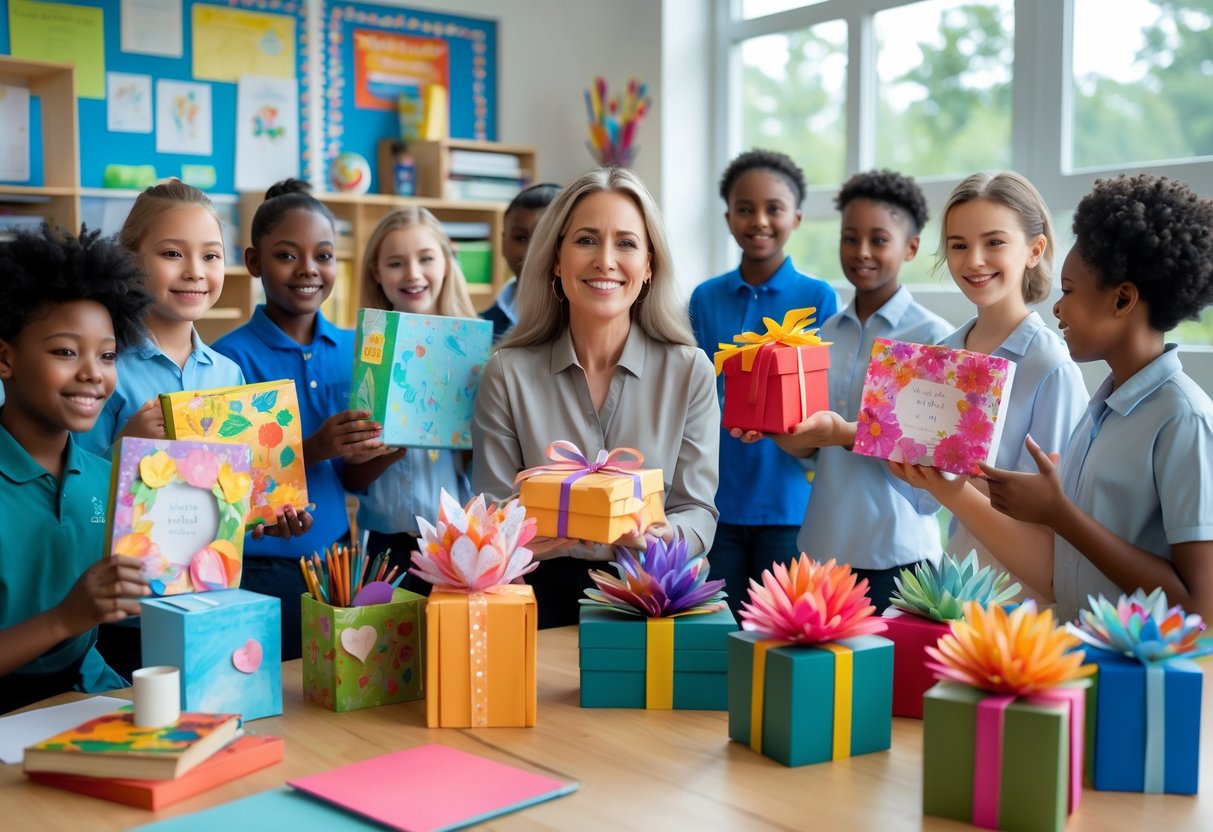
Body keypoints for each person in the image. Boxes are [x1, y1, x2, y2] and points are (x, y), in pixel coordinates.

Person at [894, 174, 1213, 622]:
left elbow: (1202, 607)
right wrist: (948, 485)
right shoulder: (1100, 413)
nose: (1057, 308)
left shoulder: (1184, 419)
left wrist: (1060, 515)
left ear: (1122, 299)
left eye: (1069, 291)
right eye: (958, 244)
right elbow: (1059, 573)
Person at [80, 181, 311, 676]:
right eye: (172, 253)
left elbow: (231, 497)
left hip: (211, 606)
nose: (195, 271)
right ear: (128, 260)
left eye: (210, 256)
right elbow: (75, 501)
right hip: (128, 620)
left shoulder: (228, 374)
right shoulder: (105, 368)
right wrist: (124, 448)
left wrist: (267, 511)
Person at [472, 167, 721, 628]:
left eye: (626, 243)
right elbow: (492, 507)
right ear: (556, 259)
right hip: (534, 593)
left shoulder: (691, 371)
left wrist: (663, 535)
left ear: (649, 266)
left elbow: (697, 509)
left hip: (652, 588)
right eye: (586, 240)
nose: (605, 261)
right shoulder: (506, 372)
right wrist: (522, 532)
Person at [741, 170, 952, 612]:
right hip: (823, 550)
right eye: (850, 238)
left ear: (911, 247)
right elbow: (812, 451)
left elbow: (930, 462)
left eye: (879, 239)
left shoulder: (933, 338)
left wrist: (841, 433)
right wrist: (775, 430)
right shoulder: (823, 336)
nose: (861, 252)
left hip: (899, 555)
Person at [213, 179, 392, 659]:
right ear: (255, 262)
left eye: (323, 255)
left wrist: (394, 447)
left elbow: (351, 479)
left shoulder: (359, 349)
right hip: (261, 568)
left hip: (337, 559)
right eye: (287, 255)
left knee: (337, 684)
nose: (308, 269)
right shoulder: (229, 360)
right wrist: (312, 448)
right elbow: (229, 484)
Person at [0, 226, 152, 712]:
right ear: (5, 358)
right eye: (66, 351)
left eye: (107, 355)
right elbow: (76, 615)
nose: (92, 373)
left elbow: (133, 606)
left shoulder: (109, 481)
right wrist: (66, 618)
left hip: (86, 695)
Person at [689, 149, 838, 615]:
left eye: (773, 208)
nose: (759, 221)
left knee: (783, 629)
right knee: (717, 631)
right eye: (744, 208)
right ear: (727, 217)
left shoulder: (818, 297)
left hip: (788, 503)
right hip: (715, 500)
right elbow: (694, 393)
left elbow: (821, 398)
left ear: (796, 217)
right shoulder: (704, 298)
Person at [933, 171, 1088, 601]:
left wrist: (949, 480)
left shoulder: (1051, 367)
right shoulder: (942, 357)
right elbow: (922, 502)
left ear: (1035, 250)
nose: (974, 260)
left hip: (1022, 600)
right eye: (958, 245)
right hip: (954, 587)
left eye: (994, 242)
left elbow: (1053, 519)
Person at [344, 207, 478, 587]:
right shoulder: (364, 356)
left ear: (447, 262)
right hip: (384, 547)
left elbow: (485, 472)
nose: (413, 274)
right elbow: (352, 476)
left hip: (455, 544)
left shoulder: (475, 355)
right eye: (396, 263)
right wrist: (386, 447)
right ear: (376, 272)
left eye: (426, 259)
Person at [482, 183, 563, 342]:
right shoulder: (482, 329)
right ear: (503, 243)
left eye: (544, 238)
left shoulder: (584, 322)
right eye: (521, 238)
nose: (530, 252)